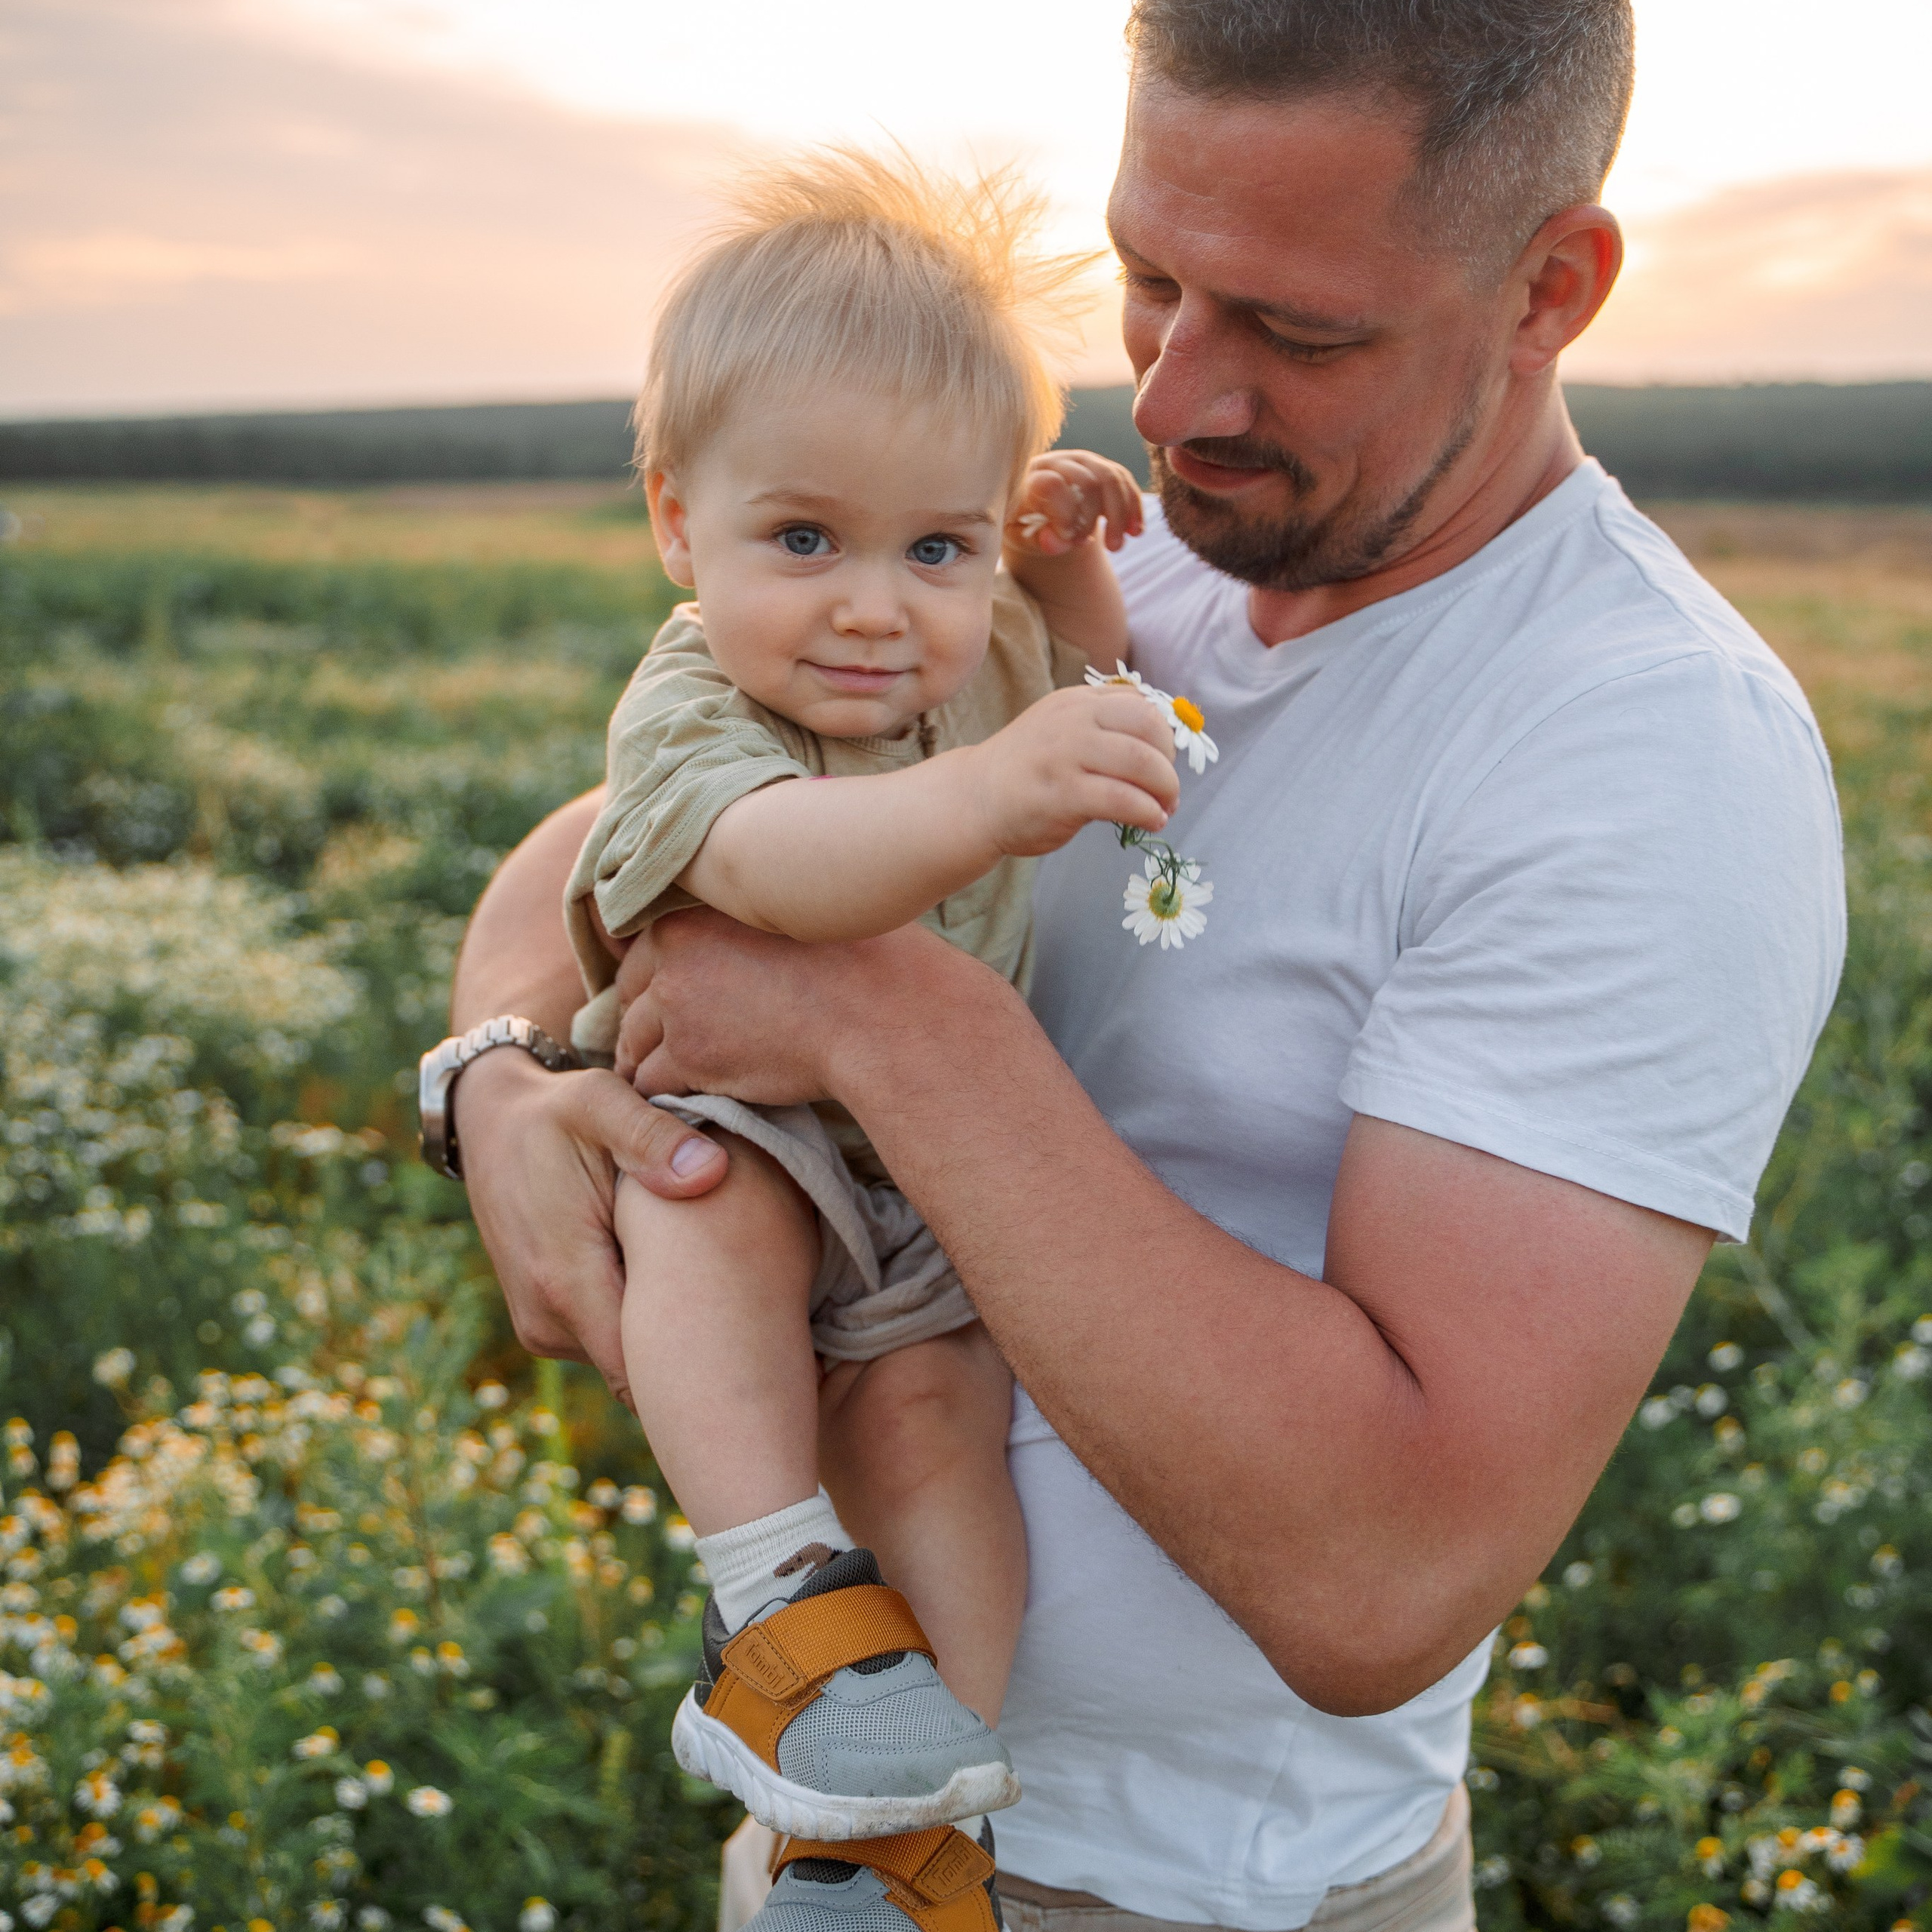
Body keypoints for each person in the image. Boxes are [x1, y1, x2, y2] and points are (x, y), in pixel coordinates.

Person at [436, 2, 1846, 1927]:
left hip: (1200, 1895)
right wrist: (498, 1076)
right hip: (825, 1825)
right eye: (1147, 280)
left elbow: (1380, 1577)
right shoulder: (1052, 567)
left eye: (1296, 327)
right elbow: (600, 833)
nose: (1175, 397)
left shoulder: (1641, 749)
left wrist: (879, 1012)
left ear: (1552, 286)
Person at [561, 147, 1167, 1857]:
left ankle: (904, 1822)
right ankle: (773, 1595)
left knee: (940, 1428)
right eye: (804, 534)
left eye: (934, 543)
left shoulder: (966, 648)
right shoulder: (688, 702)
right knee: (708, 1219)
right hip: (740, 1127)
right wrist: (989, 798)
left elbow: (1094, 686)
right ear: (680, 520)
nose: (869, 605)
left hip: (919, 1173)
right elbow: (779, 866)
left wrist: (1059, 583)